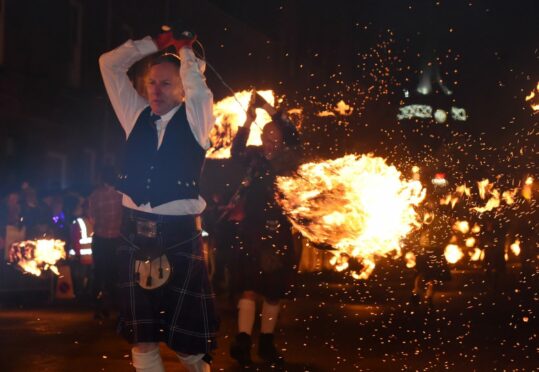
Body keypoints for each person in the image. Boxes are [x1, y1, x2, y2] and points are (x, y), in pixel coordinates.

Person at [99, 29, 218, 372]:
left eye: (166, 84)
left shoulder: (197, 120)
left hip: (179, 233)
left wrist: (187, 54)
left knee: (187, 340)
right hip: (132, 234)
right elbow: (108, 64)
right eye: (152, 82)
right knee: (142, 334)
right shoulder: (134, 114)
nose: (155, 89)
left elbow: (200, 92)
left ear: (182, 89)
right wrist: (156, 43)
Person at [228, 91, 301, 367]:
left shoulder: (288, 160)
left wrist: (267, 107)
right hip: (253, 231)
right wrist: (248, 120)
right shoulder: (254, 158)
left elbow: (292, 133)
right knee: (248, 287)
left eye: (277, 140)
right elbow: (235, 152)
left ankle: (267, 344)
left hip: (279, 231)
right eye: (269, 139)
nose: (272, 144)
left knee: (274, 291)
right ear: (262, 138)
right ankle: (243, 342)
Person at [88, 167, 123, 319]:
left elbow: (91, 218)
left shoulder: (95, 196)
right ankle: (116, 306)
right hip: (116, 240)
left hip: (100, 239)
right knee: (114, 273)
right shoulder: (121, 195)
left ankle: (97, 306)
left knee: (99, 273)